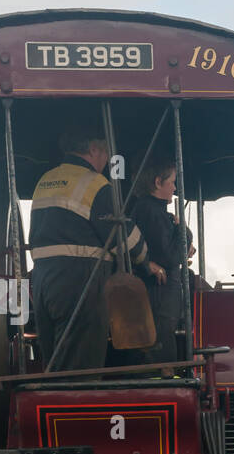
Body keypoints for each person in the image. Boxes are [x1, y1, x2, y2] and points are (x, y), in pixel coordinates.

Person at [29, 128, 161, 370]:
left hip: (41, 280)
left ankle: (52, 403)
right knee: (82, 360)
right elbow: (123, 237)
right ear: (93, 149)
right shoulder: (94, 184)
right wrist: (145, 261)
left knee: (55, 359)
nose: (106, 161)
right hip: (79, 280)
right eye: (106, 154)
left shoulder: (45, 180)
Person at [128, 155, 194, 365]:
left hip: (157, 292)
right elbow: (170, 255)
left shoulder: (151, 211)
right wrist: (182, 230)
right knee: (161, 341)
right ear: (157, 182)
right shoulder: (152, 212)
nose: (175, 188)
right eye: (172, 182)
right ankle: (161, 381)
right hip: (159, 292)